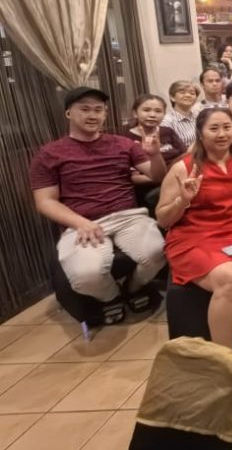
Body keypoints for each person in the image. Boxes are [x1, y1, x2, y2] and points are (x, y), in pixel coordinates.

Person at [158, 107, 232, 372]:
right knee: (229, 276)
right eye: (214, 128)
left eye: (227, 127)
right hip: (194, 237)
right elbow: (163, 218)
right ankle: (224, 357)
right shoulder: (184, 167)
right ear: (200, 133)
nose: (222, 134)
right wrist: (183, 201)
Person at [30, 87, 166, 317]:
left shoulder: (124, 144)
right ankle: (111, 296)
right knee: (86, 275)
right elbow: (45, 201)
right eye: (84, 109)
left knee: (157, 252)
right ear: (68, 113)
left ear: (105, 114)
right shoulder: (49, 154)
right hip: (82, 222)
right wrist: (79, 222)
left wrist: (154, 154)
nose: (92, 115)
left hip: (128, 216)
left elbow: (157, 176)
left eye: (98, 110)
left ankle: (133, 288)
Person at [162, 80, 200, 149]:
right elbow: (166, 149)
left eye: (192, 93)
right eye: (182, 92)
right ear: (172, 97)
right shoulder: (166, 121)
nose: (188, 95)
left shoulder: (200, 116)